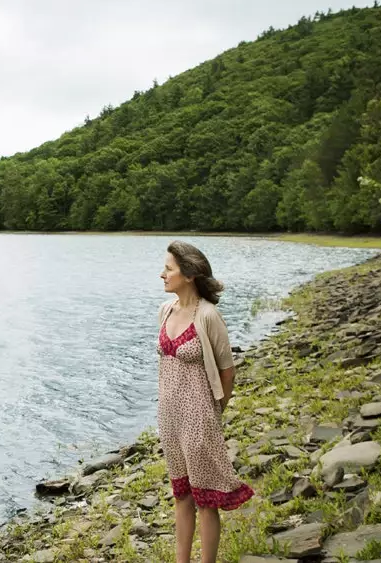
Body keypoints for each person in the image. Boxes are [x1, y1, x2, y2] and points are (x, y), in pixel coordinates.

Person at [156, 240, 253, 563]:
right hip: (169, 419)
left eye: (168, 269)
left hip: (199, 419)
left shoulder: (209, 316)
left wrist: (213, 411)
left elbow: (227, 371)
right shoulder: (165, 311)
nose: (162, 274)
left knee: (205, 499)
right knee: (181, 494)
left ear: (188, 274)